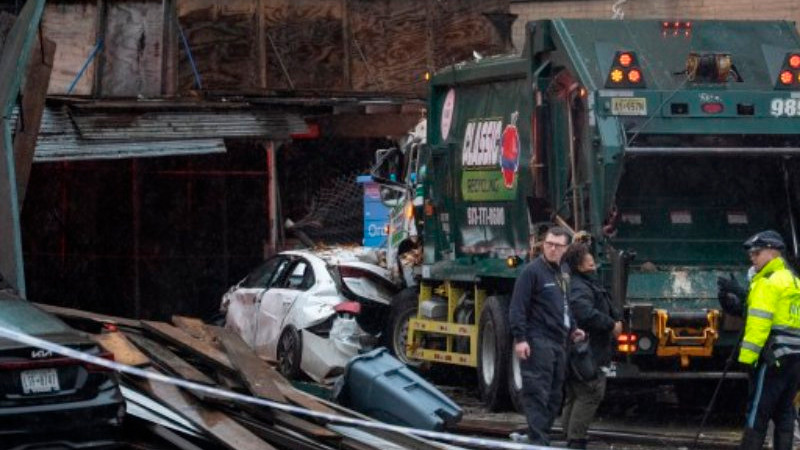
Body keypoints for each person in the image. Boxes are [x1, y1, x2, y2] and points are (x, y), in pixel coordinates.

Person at [717, 230, 800, 450]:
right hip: (793, 359)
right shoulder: (792, 280)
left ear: (772, 252)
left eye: (756, 252)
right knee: (784, 412)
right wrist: (738, 300)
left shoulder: (767, 282)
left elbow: (759, 323)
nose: (752, 257)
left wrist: (748, 358)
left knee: (758, 412)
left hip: (771, 358)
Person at [509, 226, 585, 446]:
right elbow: (517, 308)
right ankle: (538, 440)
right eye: (548, 244)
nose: (552, 249)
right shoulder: (531, 272)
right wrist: (520, 338)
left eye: (558, 246)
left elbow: (564, 305)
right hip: (537, 339)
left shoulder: (563, 272)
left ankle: (540, 435)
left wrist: (574, 328)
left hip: (559, 341)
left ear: (566, 248)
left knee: (554, 395)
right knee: (537, 392)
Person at [559, 243, 622, 449]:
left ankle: (568, 437)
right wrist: (610, 324)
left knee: (575, 394)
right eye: (586, 256)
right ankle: (575, 440)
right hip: (588, 352)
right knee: (590, 392)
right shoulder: (580, 286)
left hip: (582, 351)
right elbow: (583, 312)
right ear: (578, 264)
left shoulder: (583, 283)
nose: (591, 259)